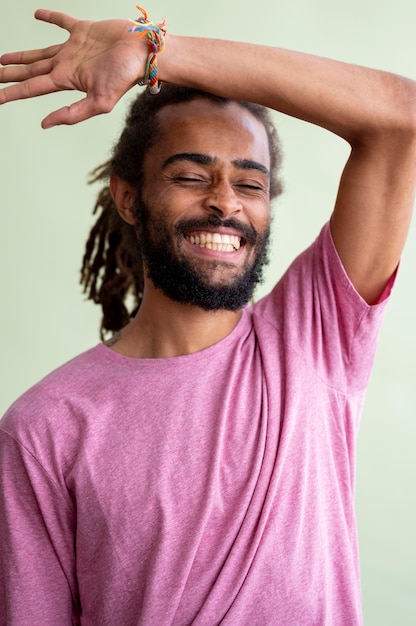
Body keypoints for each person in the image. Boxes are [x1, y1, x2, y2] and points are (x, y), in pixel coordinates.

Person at [1, 8, 416, 625]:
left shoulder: (314, 334)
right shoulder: (44, 427)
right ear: (129, 197)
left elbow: (401, 117)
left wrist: (156, 52)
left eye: (250, 185)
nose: (224, 202)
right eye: (192, 176)